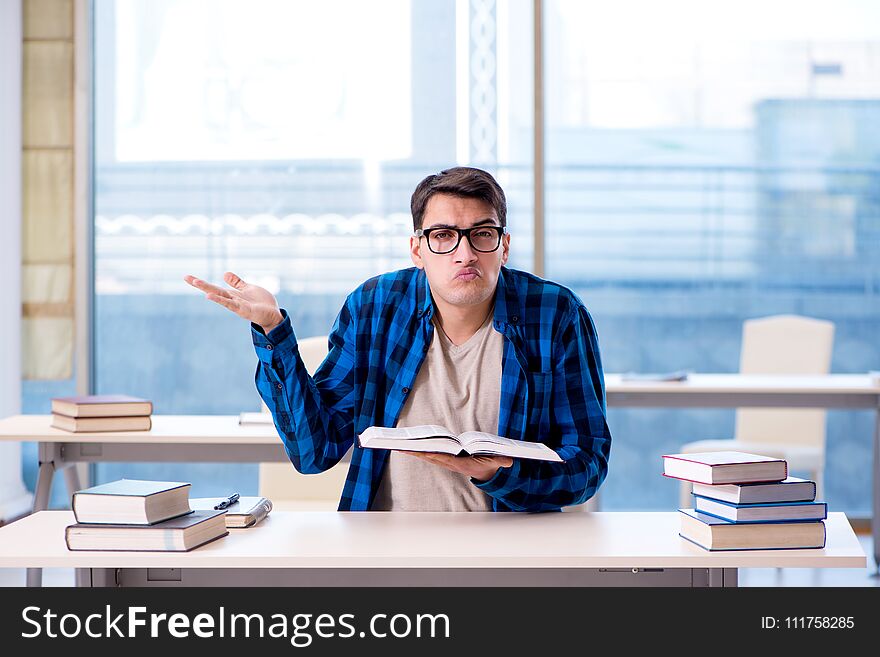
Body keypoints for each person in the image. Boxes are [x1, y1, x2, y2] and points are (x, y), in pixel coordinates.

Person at [184, 166, 611, 511]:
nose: (464, 253)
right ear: (416, 249)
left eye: (482, 234)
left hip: (512, 554)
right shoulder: (376, 305)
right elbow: (314, 451)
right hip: (385, 551)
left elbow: (587, 464)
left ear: (504, 246)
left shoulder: (555, 313)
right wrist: (273, 329)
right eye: (443, 236)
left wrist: (499, 472)